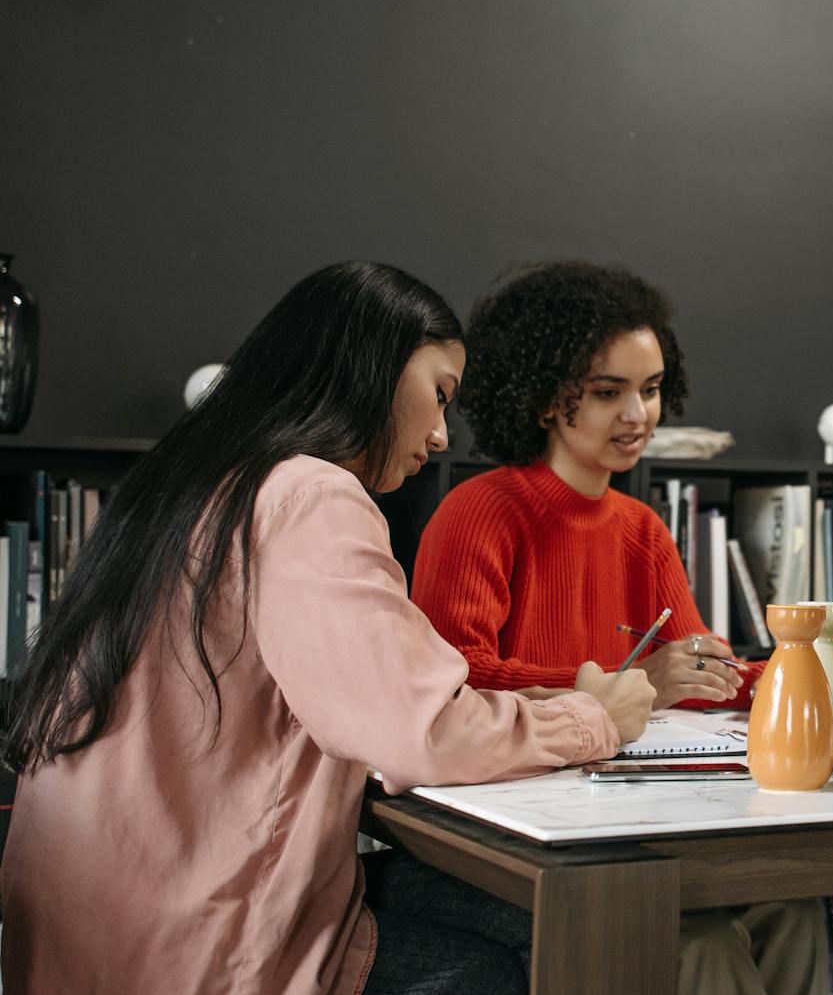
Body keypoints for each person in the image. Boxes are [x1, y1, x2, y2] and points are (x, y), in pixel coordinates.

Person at [1, 262, 654, 995]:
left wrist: (536, 705)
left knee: (527, 914)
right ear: (370, 366)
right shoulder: (310, 495)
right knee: (570, 938)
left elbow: (380, 691)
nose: (441, 434)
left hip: (95, 939)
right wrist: (595, 718)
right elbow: (419, 729)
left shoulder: (189, 485)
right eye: (438, 394)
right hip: (204, 947)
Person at [411, 260, 825, 995]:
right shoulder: (480, 511)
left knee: (793, 904)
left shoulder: (643, 529)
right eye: (608, 392)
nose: (638, 414)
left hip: (628, 815)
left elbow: (701, 678)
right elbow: (451, 680)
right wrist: (625, 686)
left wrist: (812, 677)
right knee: (698, 938)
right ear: (544, 397)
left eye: (652, 388)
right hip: (516, 825)